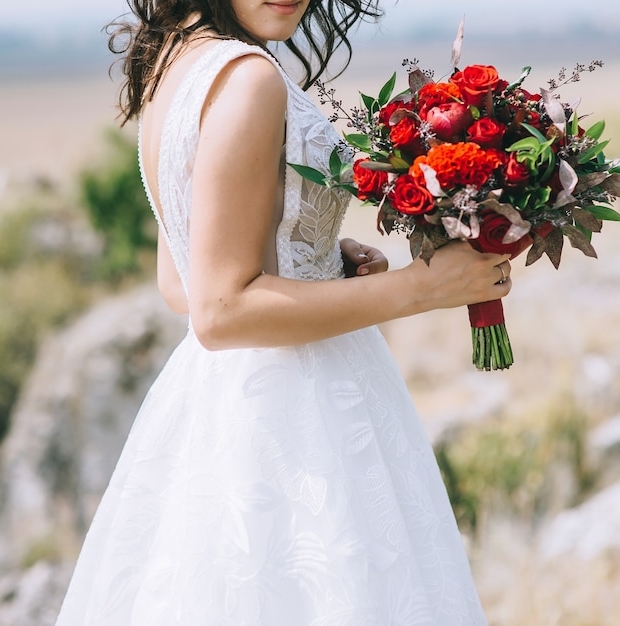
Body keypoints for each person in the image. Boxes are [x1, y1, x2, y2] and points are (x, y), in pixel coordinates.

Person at [56, 1, 512, 624]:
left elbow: (182, 282)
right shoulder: (249, 78)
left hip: (219, 407)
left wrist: (319, 261)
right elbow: (220, 312)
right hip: (296, 417)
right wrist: (422, 287)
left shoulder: (172, 62)